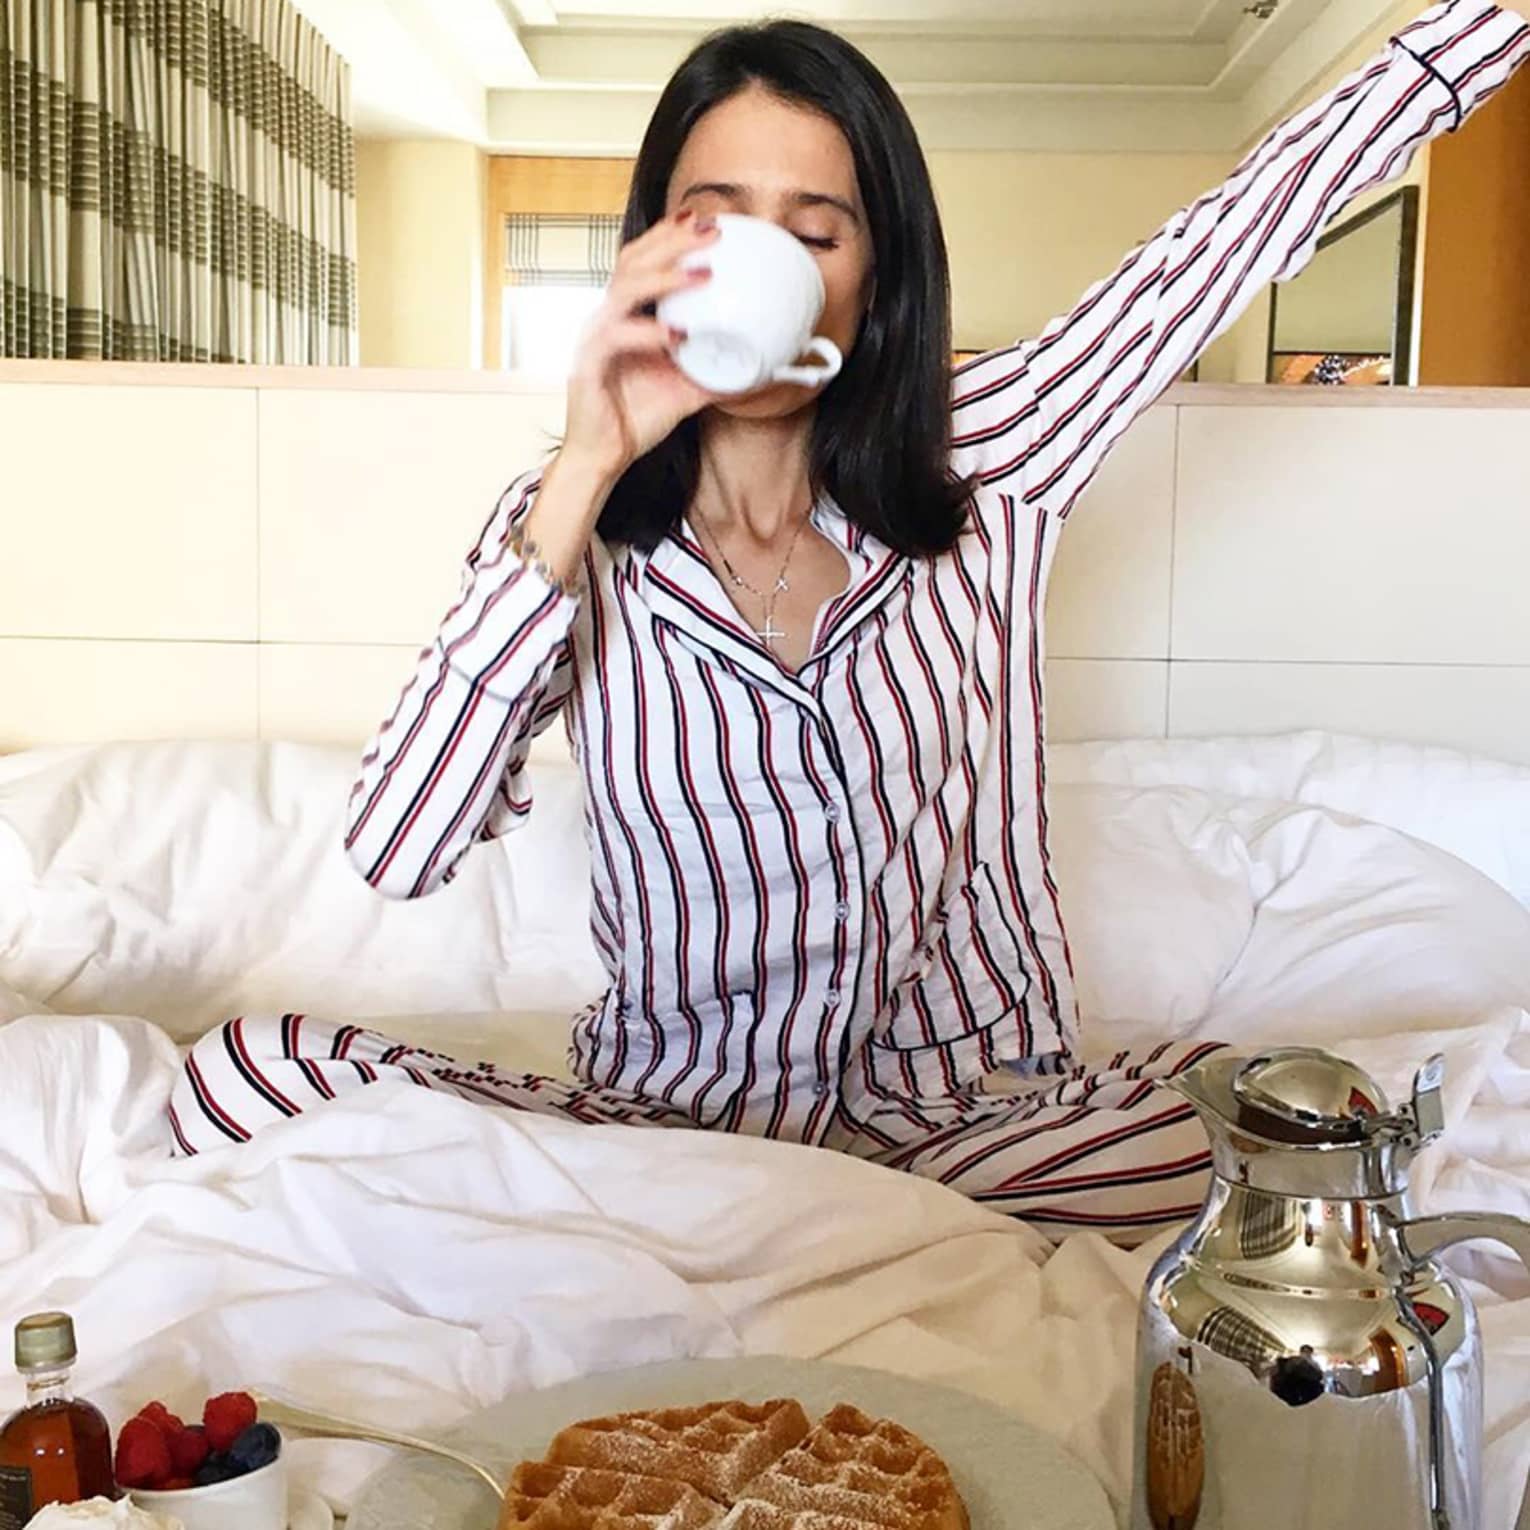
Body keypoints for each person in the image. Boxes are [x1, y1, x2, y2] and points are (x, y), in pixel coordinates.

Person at [168, 1, 1529, 1244]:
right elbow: (399, 851)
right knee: (245, 1072)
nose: (762, 264)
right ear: (650, 254)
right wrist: (583, 468)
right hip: (673, 1125)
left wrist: (1479, 29)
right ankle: (770, 1211)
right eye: (715, 224)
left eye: (812, 231)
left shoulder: (992, 452)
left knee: (1343, 1117)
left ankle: (818, 1218)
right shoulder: (566, 528)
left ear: (870, 278)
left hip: (980, 1129)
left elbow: (1233, 229)